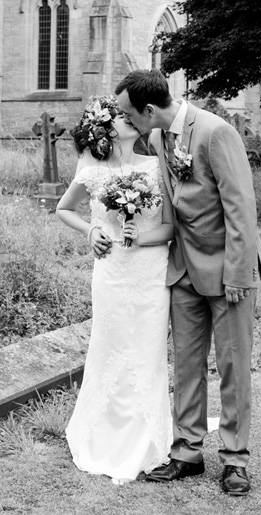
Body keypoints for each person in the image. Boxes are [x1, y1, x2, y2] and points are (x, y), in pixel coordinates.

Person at [114, 69, 261, 497]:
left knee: (233, 368)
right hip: (182, 268)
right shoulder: (160, 139)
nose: (127, 123)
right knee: (186, 365)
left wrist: (238, 271)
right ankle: (187, 451)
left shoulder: (216, 132)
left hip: (226, 269)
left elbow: (241, 207)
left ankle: (235, 460)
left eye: (129, 115)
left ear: (148, 110)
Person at [56, 95, 175, 484]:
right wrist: (91, 230)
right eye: (118, 117)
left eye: (127, 115)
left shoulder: (156, 167)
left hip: (150, 274)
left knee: (147, 351)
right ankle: (102, 436)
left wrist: (140, 238)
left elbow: (171, 228)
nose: (126, 119)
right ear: (106, 130)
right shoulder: (91, 170)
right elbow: (64, 208)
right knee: (109, 348)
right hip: (110, 272)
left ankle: (148, 439)